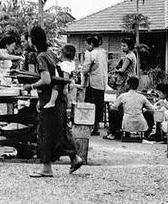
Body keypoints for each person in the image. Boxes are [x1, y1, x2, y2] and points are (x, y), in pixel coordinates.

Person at [22, 27, 84, 178]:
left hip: (50, 99)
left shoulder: (41, 56)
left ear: (33, 39)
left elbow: (46, 80)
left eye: (29, 38)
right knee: (61, 130)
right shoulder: (50, 53)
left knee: (45, 133)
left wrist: (31, 86)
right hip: (58, 98)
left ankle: (46, 168)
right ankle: (75, 158)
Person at [80, 35, 108, 136]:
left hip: (93, 83)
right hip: (102, 82)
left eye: (86, 45)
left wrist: (82, 71)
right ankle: (96, 127)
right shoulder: (103, 52)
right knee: (99, 105)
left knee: (90, 105)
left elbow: (85, 69)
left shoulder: (91, 54)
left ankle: (90, 127)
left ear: (91, 44)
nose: (86, 47)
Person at [43, 44, 77, 109]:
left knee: (55, 88)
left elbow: (66, 76)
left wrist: (65, 88)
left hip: (63, 83)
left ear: (62, 54)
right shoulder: (70, 63)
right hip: (68, 83)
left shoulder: (65, 65)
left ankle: (52, 101)